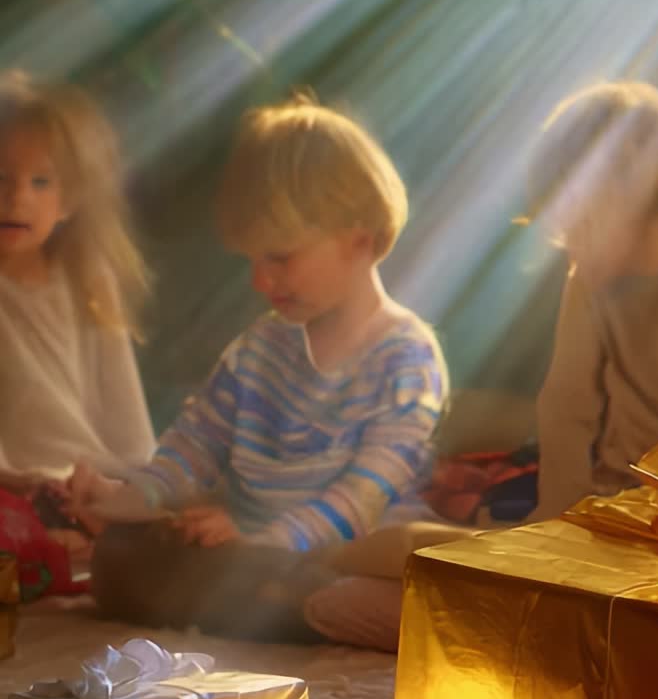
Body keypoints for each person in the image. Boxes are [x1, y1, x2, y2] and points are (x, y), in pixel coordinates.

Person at [71, 91, 448, 640]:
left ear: (358, 242)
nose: (260, 282)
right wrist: (128, 501)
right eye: (252, 260)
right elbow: (193, 445)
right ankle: (281, 604)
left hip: (351, 550)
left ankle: (310, 605)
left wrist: (272, 539)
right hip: (250, 555)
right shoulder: (258, 350)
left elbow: (367, 494)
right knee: (119, 559)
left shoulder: (406, 356)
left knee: (395, 566)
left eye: (279, 258)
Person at [526, 79, 658, 521]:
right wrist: (556, 521)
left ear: (635, 194)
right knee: (410, 553)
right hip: (613, 508)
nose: (567, 245)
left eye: (578, 223)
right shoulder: (590, 285)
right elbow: (565, 408)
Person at [0, 69, 155, 585]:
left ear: (70, 199)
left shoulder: (89, 281)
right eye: (2, 177)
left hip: (83, 489)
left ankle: (74, 541)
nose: (17, 197)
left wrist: (126, 492)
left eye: (40, 181)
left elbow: (126, 427)